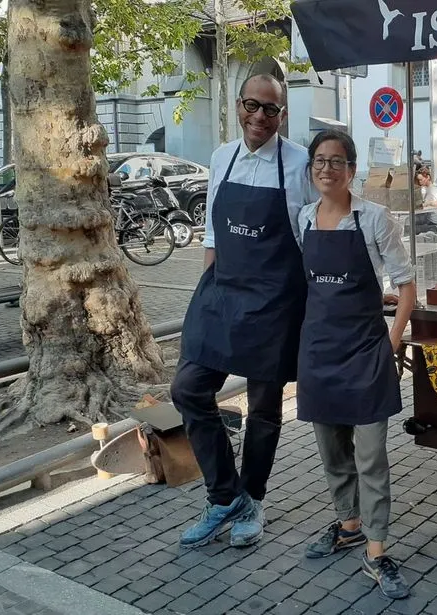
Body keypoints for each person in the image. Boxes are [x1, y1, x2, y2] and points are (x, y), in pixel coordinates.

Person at [172, 73, 318, 550]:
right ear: (239, 105)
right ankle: (223, 496)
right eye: (252, 106)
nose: (259, 117)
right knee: (188, 389)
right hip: (224, 288)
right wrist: (210, 289)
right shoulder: (221, 157)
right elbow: (215, 231)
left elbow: (312, 233)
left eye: (270, 110)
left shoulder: (298, 163)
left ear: (283, 114)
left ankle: (252, 499)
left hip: (276, 299)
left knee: (265, 408)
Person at [296, 129, 415, 600]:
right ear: (312, 169)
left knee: (371, 459)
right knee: (332, 453)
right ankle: (347, 525)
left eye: (337, 161)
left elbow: (406, 288)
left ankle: (377, 550)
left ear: (351, 170)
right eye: (319, 161)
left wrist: (391, 342)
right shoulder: (304, 218)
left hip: (366, 352)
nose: (327, 169)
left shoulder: (374, 219)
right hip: (319, 352)